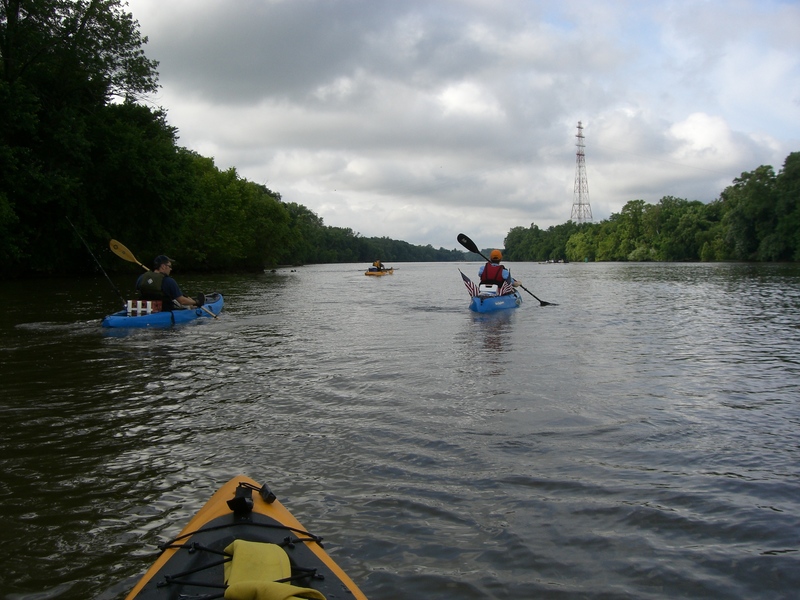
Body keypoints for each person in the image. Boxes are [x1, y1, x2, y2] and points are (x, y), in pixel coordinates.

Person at [136, 255, 203, 311]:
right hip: (165, 310)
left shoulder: (142, 278)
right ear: (163, 266)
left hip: (145, 309)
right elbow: (182, 301)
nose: (171, 269)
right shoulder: (169, 281)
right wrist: (197, 302)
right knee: (190, 306)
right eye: (170, 266)